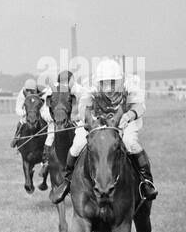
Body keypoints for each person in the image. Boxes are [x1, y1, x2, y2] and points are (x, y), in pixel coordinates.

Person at [52, 58, 157, 203]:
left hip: (124, 120)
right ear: (99, 81)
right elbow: (84, 108)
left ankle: (146, 182)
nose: (108, 87)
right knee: (77, 146)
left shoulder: (130, 84)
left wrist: (128, 115)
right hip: (97, 122)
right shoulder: (92, 86)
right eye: (104, 83)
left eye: (112, 82)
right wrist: (92, 121)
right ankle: (67, 181)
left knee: (130, 142)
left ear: (119, 79)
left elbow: (139, 106)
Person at [11, 76, 43, 148]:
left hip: (39, 112)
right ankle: (16, 137)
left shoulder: (41, 91)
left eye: (31, 90)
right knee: (20, 123)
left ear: (35, 89)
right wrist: (27, 113)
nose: (29, 92)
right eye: (27, 90)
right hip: (27, 113)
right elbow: (18, 109)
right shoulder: (22, 94)